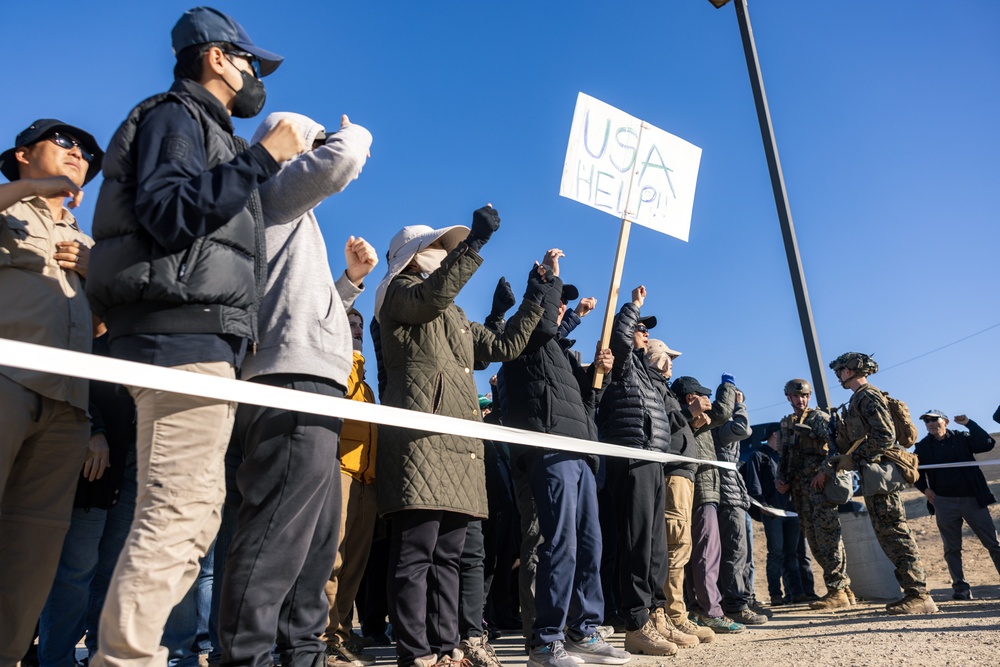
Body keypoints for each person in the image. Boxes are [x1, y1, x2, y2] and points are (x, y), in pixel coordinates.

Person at [84, 8, 304, 666]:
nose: (253, 74)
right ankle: (123, 657)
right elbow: (170, 211)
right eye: (248, 61)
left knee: (196, 514)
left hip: (199, 345)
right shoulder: (175, 117)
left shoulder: (198, 126)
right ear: (215, 58)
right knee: (176, 511)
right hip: (180, 341)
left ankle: (128, 649)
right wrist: (263, 159)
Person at [219, 108, 375, 667]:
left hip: (314, 383)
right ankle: (249, 658)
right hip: (290, 384)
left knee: (313, 545)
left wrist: (349, 286)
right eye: (309, 143)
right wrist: (348, 134)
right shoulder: (263, 190)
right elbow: (345, 161)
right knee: (275, 539)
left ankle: (300, 655)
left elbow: (306, 308)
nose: (315, 151)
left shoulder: (288, 212)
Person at [374, 206, 550, 667]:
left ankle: (448, 644)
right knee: (416, 552)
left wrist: (537, 298)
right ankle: (416, 651)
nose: (441, 253)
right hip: (422, 440)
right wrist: (474, 246)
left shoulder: (452, 313)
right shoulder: (398, 294)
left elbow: (502, 347)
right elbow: (431, 297)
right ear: (411, 257)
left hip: (459, 445)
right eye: (435, 247)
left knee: (450, 554)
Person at [0, 116, 104, 666]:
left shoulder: (89, 242)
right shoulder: (9, 208)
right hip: (6, 381)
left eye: (87, 151)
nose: (79, 152)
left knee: (33, 555)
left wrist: (98, 273)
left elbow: (110, 329)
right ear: (21, 155)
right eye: (64, 142)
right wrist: (32, 192)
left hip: (69, 409)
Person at [501, 250, 629, 667]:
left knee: (590, 544)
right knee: (560, 545)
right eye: (556, 299)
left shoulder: (559, 350)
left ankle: (583, 629)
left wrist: (601, 375)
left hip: (579, 451)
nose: (561, 305)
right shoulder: (524, 337)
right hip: (550, 448)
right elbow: (539, 324)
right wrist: (549, 279)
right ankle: (545, 639)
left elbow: (585, 401)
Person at [596, 287, 682, 656]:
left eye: (647, 329)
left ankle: (656, 613)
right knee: (636, 543)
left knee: (655, 546)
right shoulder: (623, 362)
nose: (645, 332)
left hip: (653, 458)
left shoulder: (647, 374)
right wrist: (633, 306)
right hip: (630, 457)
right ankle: (635, 622)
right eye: (641, 329)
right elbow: (619, 335)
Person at [827, 352, 937, 615]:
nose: (839, 375)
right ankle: (914, 593)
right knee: (888, 535)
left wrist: (853, 458)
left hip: (881, 475)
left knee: (895, 533)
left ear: (850, 370)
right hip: (873, 475)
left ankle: (919, 595)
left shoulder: (867, 396)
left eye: (841, 370)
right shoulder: (859, 398)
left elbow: (885, 436)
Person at [643, 341, 713, 645]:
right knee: (675, 546)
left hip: (681, 475)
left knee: (680, 546)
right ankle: (674, 615)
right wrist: (688, 412)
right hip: (672, 475)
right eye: (667, 358)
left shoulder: (663, 388)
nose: (671, 363)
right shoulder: (654, 387)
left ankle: (676, 613)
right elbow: (658, 427)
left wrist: (692, 420)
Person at [324, 307, 380, 664]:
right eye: (350, 324)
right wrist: (350, 355)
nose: (357, 330)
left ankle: (341, 633)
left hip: (365, 481)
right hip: (340, 473)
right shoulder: (341, 367)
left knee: (354, 566)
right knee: (333, 561)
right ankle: (322, 638)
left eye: (359, 325)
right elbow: (341, 394)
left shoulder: (368, 385)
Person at [673, 376, 744, 635]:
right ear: (691, 398)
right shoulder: (697, 417)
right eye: (702, 396)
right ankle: (711, 611)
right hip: (703, 490)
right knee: (706, 552)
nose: (707, 400)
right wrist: (729, 385)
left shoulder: (692, 420)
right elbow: (725, 411)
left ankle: (697, 608)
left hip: (696, 489)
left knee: (696, 553)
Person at [773, 379, 852, 610]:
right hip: (799, 489)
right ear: (788, 397)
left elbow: (837, 448)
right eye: (796, 396)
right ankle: (844, 589)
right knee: (814, 540)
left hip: (819, 488)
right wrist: (781, 480)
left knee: (828, 537)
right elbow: (784, 455)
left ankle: (837, 591)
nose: (801, 400)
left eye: (804, 396)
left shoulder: (819, 418)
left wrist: (824, 472)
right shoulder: (786, 423)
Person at [914, 409, 1000, 600]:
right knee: (951, 548)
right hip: (943, 502)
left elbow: (987, 443)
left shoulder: (962, 438)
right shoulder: (923, 447)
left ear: (945, 421)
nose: (930, 423)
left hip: (972, 499)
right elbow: (913, 470)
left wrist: (969, 423)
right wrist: (925, 489)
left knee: (993, 543)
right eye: (927, 421)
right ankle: (961, 588)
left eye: (934, 419)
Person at [712, 381, 767, 625]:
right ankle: (735, 605)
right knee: (735, 553)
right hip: (728, 497)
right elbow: (744, 428)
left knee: (743, 555)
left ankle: (743, 600)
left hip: (735, 496)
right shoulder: (720, 428)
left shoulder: (718, 426)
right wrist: (740, 405)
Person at [744, 425, 805, 606]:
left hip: (791, 511)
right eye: (782, 435)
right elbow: (753, 484)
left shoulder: (785, 457)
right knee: (776, 552)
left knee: (791, 553)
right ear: (774, 434)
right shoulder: (758, 456)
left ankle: (795, 593)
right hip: (771, 513)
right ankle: (775, 594)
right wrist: (762, 504)